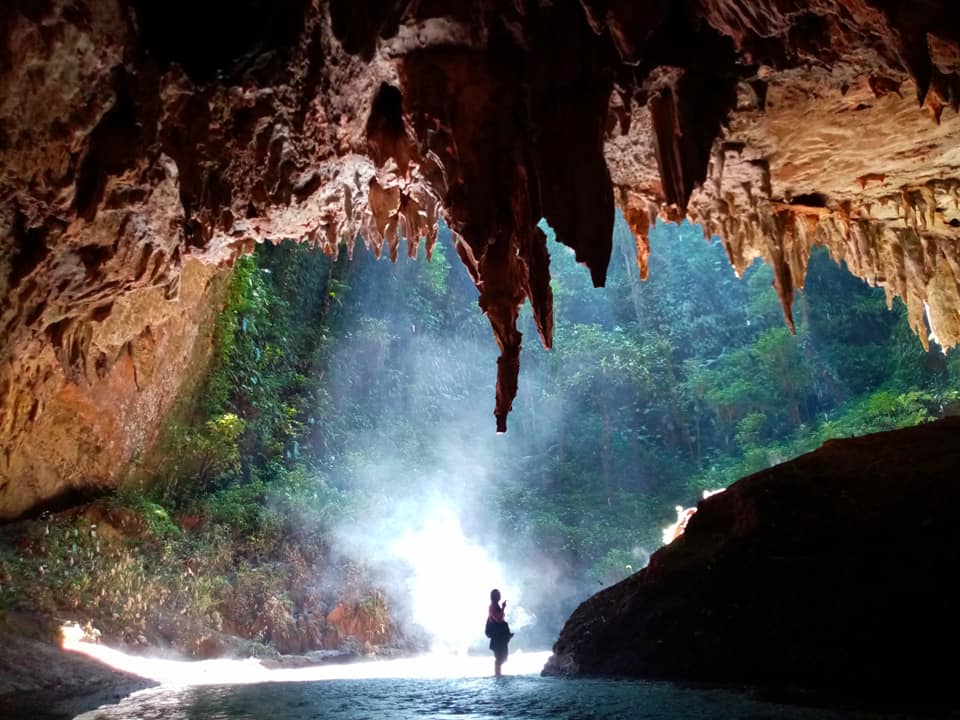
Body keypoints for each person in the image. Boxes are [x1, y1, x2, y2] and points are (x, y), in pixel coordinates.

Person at [485, 588, 513, 676]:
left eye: (499, 594)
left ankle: (498, 674)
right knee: (499, 657)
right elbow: (497, 619)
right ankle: (497, 675)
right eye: (497, 594)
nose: (499, 596)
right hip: (497, 636)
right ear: (494, 597)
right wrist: (503, 608)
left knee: (503, 657)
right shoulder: (492, 606)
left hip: (500, 636)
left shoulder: (496, 605)